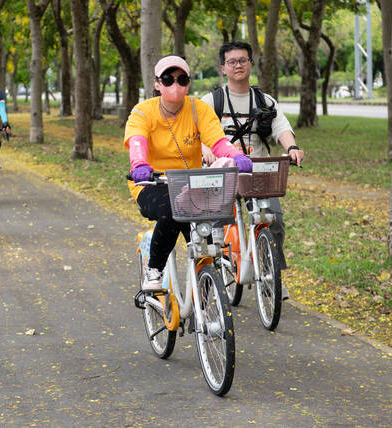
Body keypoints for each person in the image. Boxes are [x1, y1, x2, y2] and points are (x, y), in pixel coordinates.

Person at [124, 55, 253, 291]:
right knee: (171, 211)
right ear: (157, 83)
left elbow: (218, 142)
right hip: (152, 183)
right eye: (167, 78)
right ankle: (154, 269)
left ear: (188, 83)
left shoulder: (198, 109)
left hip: (191, 183)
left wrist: (235, 155)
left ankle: (205, 289)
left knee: (203, 238)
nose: (175, 84)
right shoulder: (143, 111)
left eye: (181, 79)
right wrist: (139, 165)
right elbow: (137, 142)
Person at [201, 41, 305, 300]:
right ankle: (210, 278)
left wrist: (292, 147)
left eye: (243, 60)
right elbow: (198, 132)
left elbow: (281, 128)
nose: (238, 65)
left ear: (250, 64)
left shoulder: (265, 101)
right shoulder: (211, 101)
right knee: (213, 228)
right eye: (232, 62)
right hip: (222, 173)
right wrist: (206, 149)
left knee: (274, 220)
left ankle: (273, 275)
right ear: (223, 67)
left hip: (258, 172)